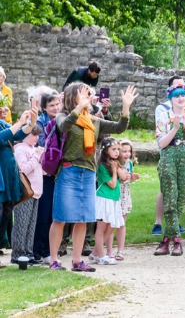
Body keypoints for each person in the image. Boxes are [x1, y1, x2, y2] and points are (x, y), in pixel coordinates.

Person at [47, 83, 138, 271]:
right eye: (86, 95)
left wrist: (126, 106)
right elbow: (64, 127)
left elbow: (119, 127)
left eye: (90, 95)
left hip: (88, 174)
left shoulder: (94, 121)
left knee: (83, 218)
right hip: (69, 171)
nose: (90, 98)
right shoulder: (63, 116)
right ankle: (54, 260)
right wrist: (79, 107)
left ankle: (77, 261)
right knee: (60, 218)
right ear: (74, 97)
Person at [153, 83, 185, 256]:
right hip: (169, 160)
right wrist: (175, 128)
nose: (181, 98)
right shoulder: (164, 115)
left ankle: (166, 240)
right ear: (171, 99)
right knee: (170, 198)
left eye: (183, 95)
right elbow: (161, 143)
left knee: (180, 199)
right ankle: (177, 241)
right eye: (177, 96)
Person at [0, 107, 37, 269]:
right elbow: (2, 138)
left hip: (8, 175)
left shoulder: (1, 123)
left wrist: (30, 124)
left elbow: (18, 135)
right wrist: (20, 122)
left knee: (6, 213)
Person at [151, 76, 185, 236]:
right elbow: (162, 135)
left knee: (180, 190)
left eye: (183, 87)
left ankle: (174, 223)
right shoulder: (162, 109)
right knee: (165, 189)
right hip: (168, 153)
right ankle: (158, 222)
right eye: (177, 87)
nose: (180, 91)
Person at [11, 124, 44, 265]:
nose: (36, 138)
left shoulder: (33, 149)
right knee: (21, 224)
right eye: (33, 134)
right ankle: (18, 254)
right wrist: (37, 155)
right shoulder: (20, 149)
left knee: (31, 225)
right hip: (25, 193)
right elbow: (23, 169)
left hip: (35, 193)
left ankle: (28, 254)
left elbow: (39, 170)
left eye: (37, 135)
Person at [33, 93, 61, 262]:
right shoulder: (41, 122)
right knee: (43, 214)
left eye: (57, 104)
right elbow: (43, 144)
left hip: (55, 172)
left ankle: (47, 250)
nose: (55, 108)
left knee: (52, 212)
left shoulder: (60, 120)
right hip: (43, 173)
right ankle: (38, 250)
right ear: (44, 108)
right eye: (51, 105)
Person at [89, 138, 125, 266]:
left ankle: (94, 253)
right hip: (104, 198)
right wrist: (115, 171)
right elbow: (112, 183)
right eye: (113, 149)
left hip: (114, 199)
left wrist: (118, 166)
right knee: (101, 228)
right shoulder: (103, 166)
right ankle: (101, 255)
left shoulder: (115, 163)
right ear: (106, 151)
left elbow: (124, 177)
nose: (117, 152)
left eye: (118, 149)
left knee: (112, 226)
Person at [115, 140, 139, 260]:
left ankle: (120, 250)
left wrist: (134, 178)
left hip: (124, 195)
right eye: (124, 151)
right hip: (114, 195)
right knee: (110, 224)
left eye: (129, 151)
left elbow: (129, 179)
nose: (127, 154)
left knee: (122, 223)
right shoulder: (114, 163)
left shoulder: (129, 163)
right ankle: (105, 250)